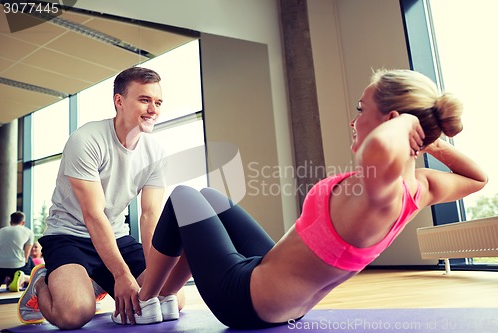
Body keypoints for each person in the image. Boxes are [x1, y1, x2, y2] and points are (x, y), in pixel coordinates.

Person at [120, 69, 487, 329]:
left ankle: (145, 300)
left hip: (244, 301)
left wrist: (407, 124)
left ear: (391, 121)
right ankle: (164, 298)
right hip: (278, 295)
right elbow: (477, 178)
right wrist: (430, 140)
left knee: (183, 195)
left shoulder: (381, 192)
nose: (353, 121)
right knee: (210, 198)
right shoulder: (418, 188)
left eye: (361, 109)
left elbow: (377, 150)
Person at [18, 67, 181, 329]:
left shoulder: (155, 152)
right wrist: (122, 274)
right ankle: (40, 283)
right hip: (69, 236)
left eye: (158, 102)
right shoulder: (86, 140)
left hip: (116, 237)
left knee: (172, 296)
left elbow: (150, 216)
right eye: (144, 100)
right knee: (75, 314)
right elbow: (93, 215)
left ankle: (95, 279)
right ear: (119, 101)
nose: (154, 109)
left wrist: (153, 281)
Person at [0, 212, 34, 292]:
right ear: (23, 222)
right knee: (30, 263)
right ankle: (23, 278)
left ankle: (1, 281)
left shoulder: (1, 230)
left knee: (1, 274)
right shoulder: (28, 232)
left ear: (10, 222)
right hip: (17, 266)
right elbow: (26, 256)